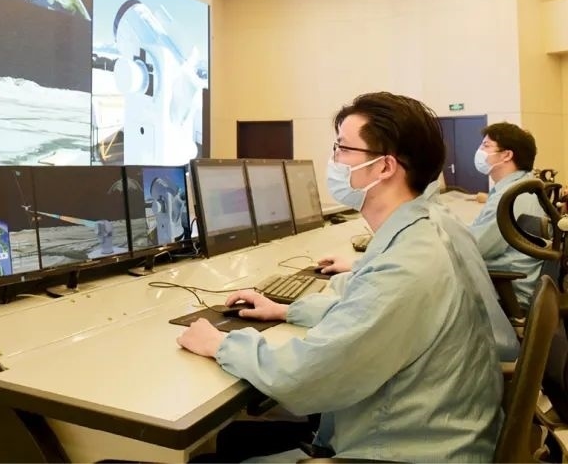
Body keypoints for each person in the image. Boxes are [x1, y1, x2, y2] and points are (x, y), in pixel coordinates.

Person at [177, 92, 502, 462]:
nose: (333, 160)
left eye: (342, 148)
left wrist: (220, 344)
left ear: (385, 167)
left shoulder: (407, 264)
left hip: (401, 451)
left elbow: (304, 377)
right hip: (437, 432)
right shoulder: (419, 235)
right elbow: (364, 308)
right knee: (237, 440)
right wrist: (287, 311)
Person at [319, 177, 520, 362]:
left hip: (468, 355)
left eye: (343, 152)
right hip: (477, 342)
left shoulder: (421, 233)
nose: (337, 162)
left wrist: (309, 302)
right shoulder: (433, 217)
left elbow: (373, 301)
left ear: (387, 167)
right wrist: (358, 267)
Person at [469, 122, 544, 308]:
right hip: (519, 281)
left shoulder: (509, 197)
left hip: (507, 290)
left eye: (486, 146)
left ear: (507, 155)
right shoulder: (524, 185)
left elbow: (474, 249)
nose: (479, 151)